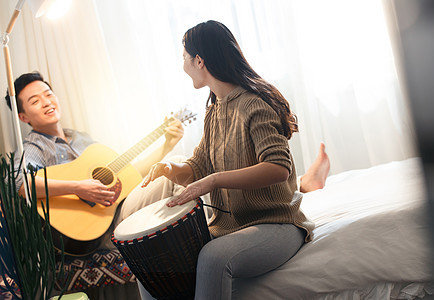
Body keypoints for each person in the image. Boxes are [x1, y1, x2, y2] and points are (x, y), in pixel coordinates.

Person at [142, 20, 330, 299]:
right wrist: (170, 168)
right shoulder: (214, 112)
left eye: (184, 58)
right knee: (154, 266)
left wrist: (214, 179)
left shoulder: (255, 104)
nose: (182, 66)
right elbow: (198, 168)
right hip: (229, 229)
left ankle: (307, 183)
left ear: (199, 60)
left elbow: (278, 168)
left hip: (275, 224)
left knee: (213, 258)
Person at [4, 71, 186, 247]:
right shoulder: (35, 147)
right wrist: (77, 188)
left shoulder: (81, 138)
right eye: (35, 101)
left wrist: (167, 146)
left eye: (48, 94)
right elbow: (19, 184)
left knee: (174, 166)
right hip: (87, 232)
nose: (46, 103)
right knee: (177, 167)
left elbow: (129, 175)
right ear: (23, 117)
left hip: (117, 210)